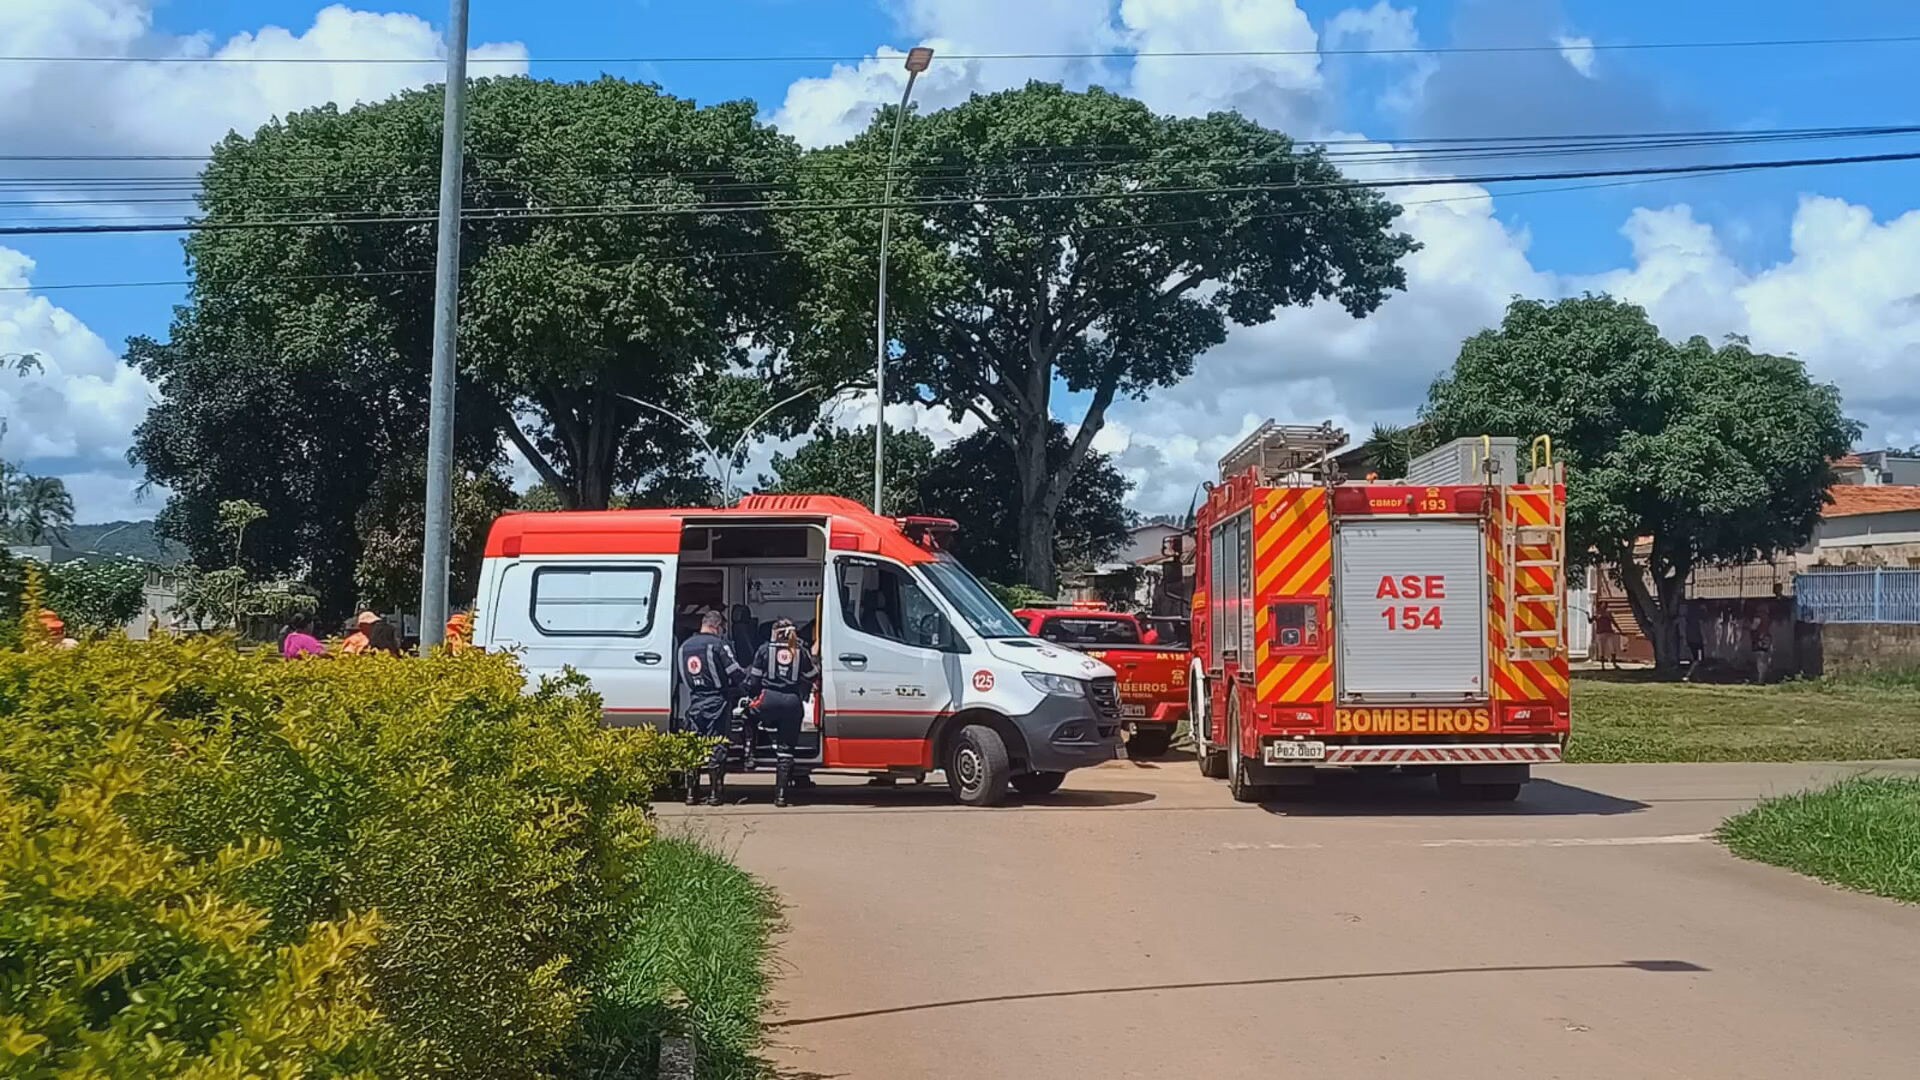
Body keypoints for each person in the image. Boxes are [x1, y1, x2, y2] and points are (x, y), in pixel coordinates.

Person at [749, 618, 820, 808]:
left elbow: (753, 680)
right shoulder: (800, 652)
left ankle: (750, 754)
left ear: (775, 633)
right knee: (786, 750)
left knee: (748, 715)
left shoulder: (764, 650)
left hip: (768, 700)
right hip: (792, 703)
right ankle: (780, 796)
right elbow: (813, 676)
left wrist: (750, 694)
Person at [679, 610, 747, 806]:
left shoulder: (684, 646)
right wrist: (747, 687)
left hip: (694, 701)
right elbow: (735, 672)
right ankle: (715, 795)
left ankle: (691, 794)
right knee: (717, 744)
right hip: (717, 700)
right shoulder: (718, 644)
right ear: (717, 626)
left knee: (694, 746)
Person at [1682, 601, 1707, 681]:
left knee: (1696, 660)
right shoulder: (1699, 617)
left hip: (1691, 640)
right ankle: (1689, 675)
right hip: (1697, 641)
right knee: (1698, 660)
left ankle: (1695, 676)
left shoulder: (1689, 617)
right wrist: (1705, 638)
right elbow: (1702, 628)